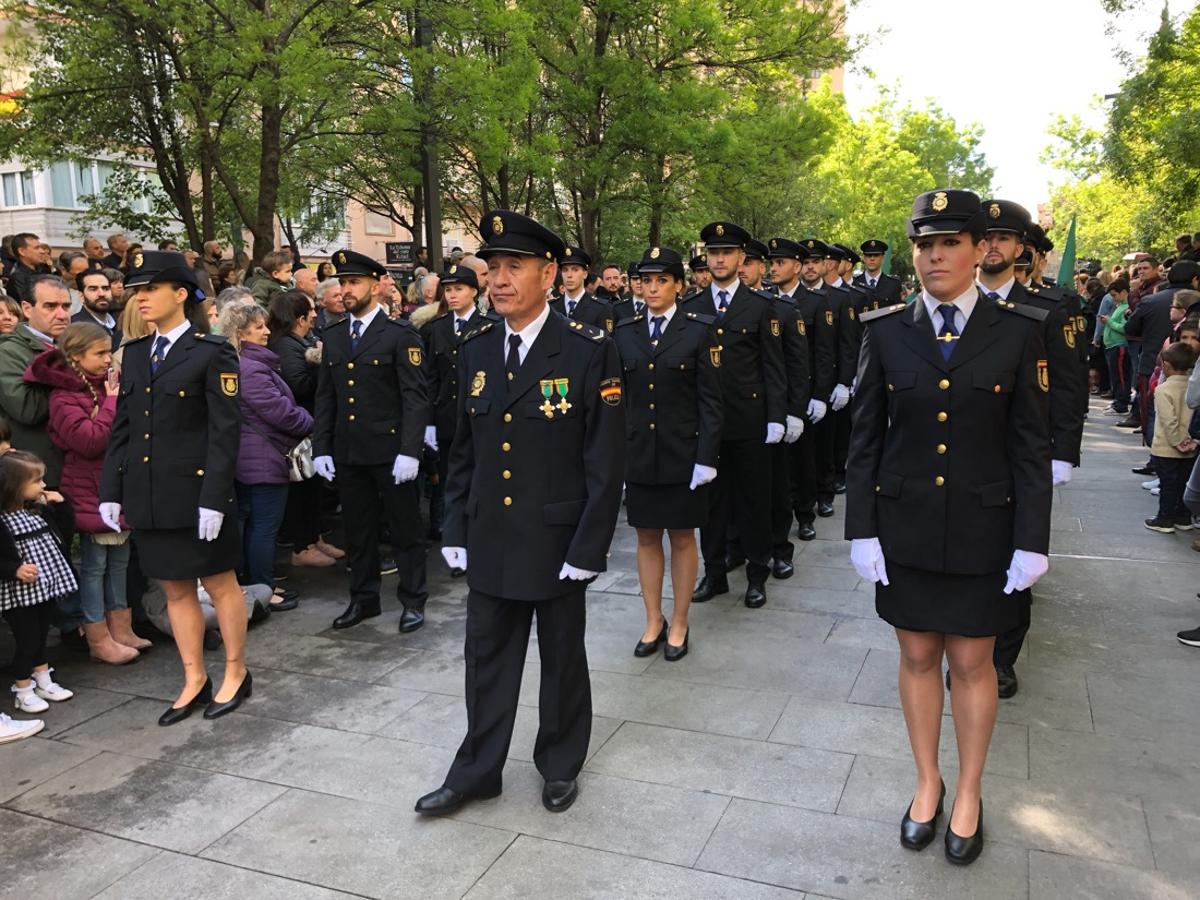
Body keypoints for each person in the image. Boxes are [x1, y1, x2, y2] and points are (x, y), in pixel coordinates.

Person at [847, 189, 1051, 866]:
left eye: (950, 243)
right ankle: (926, 782)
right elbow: (865, 439)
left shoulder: (1018, 331)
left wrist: (1032, 541)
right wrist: (861, 529)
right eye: (924, 244)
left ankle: (969, 790)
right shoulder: (884, 329)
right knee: (915, 656)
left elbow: (1029, 445)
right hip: (903, 525)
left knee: (971, 661)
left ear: (978, 249)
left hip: (982, 530)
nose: (935, 256)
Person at [415, 209, 624, 817]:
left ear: (549, 273)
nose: (499, 280)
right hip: (493, 535)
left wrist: (589, 547)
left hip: (558, 539)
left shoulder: (587, 352)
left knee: (562, 661)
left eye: (515, 267)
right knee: (485, 659)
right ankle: (477, 771)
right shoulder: (477, 348)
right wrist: (454, 524)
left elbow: (604, 465)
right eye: (493, 268)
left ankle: (559, 763)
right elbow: (464, 450)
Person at [99, 250, 251, 725]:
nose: (139, 299)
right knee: (175, 590)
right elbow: (123, 427)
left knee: (221, 584)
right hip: (151, 492)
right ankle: (193, 677)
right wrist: (111, 488)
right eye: (136, 291)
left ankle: (235, 671)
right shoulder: (138, 353)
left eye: (150, 290)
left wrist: (214, 497)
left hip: (197, 492)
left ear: (180, 294)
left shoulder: (212, 351)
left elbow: (225, 431)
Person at [312, 249, 430, 634]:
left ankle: (413, 600)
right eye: (343, 283)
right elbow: (326, 395)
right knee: (358, 532)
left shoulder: (399, 334)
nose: (346, 290)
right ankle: (363, 599)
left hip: (391, 451)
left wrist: (410, 450)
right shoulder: (334, 334)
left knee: (405, 531)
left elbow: (415, 396)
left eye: (354, 282)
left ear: (376, 285)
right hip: (350, 451)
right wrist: (322, 447)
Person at [614, 246, 722, 660]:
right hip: (639, 452)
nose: (653, 288)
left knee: (680, 537)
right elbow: (615, 398)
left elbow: (711, 401)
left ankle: (679, 621)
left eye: (662, 280)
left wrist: (707, 457)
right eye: (646, 280)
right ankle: (652, 618)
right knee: (644, 537)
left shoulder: (698, 329)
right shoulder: (624, 331)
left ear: (679, 284)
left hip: (684, 454)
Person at [683, 222, 787, 608]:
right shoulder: (691, 307)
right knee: (709, 505)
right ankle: (714, 573)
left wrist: (777, 416)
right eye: (713, 253)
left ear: (742, 258)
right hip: (706, 426)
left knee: (753, 501)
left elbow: (773, 368)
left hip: (749, 421)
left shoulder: (761, 307)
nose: (719, 259)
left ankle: (757, 573)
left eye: (726, 253)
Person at [29, 322, 145, 663]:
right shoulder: (65, 395)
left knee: (120, 562)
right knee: (95, 566)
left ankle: (120, 628)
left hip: (115, 483)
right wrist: (110, 404)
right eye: (100, 353)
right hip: (88, 488)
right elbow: (90, 441)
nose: (108, 358)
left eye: (109, 351)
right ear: (77, 357)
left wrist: (107, 409)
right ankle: (98, 636)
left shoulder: (104, 385)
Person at [221, 302, 315, 605]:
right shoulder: (249, 369)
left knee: (254, 525)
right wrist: (312, 421)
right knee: (264, 528)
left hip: (252, 457)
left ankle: (257, 586)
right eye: (259, 327)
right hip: (261, 459)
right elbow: (281, 414)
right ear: (240, 332)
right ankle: (263, 590)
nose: (267, 331)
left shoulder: (245, 364)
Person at [267, 291, 343, 569]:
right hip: (300, 427)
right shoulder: (287, 346)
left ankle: (314, 537)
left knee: (313, 487)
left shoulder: (300, 341)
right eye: (310, 311)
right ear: (299, 318)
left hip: (310, 426)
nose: (315, 314)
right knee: (302, 490)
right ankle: (303, 546)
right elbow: (298, 384)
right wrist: (324, 368)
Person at [422, 263, 495, 547]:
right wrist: (428, 420)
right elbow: (429, 378)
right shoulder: (435, 329)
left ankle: (479, 530)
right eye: (448, 289)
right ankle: (451, 532)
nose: (452, 295)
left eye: (459, 289)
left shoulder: (489, 327)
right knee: (448, 478)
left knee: (479, 476)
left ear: (474, 292)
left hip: (477, 417)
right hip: (445, 417)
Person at [0, 450, 77, 714]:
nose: (43, 486)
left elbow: (65, 534)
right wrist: (14, 569)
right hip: (18, 592)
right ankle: (23, 688)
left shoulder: (38, 511)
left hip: (44, 585)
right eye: (36, 481)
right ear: (14, 487)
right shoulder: (3, 521)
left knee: (41, 632)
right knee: (27, 639)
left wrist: (61, 505)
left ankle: (43, 678)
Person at [1145, 341, 1198, 533]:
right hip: (1191, 446)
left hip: (1167, 447)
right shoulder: (1192, 387)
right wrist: (1189, 441)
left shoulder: (1163, 389)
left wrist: (1177, 441)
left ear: (1166, 365)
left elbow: (1168, 420)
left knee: (1168, 485)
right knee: (1184, 483)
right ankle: (1183, 517)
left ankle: (1165, 518)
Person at [550, 247, 613, 332]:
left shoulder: (601, 308)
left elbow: (606, 342)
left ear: (585, 274)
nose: (569, 275)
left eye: (575, 270)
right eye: (565, 270)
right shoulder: (551, 307)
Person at [1099, 278, 1133, 416]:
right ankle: (1118, 401)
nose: (1113, 299)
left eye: (1114, 295)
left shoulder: (1127, 308)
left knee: (1121, 376)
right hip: (1113, 346)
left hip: (1120, 346)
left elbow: (1125, 328)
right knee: (1116, 376)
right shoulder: (1120, 306)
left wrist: (1109, 321)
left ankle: (1121, 404)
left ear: (1124, 292)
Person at [72, 270, 122, 348]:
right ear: (81, 296)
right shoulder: (76, 328)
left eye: (105, 288)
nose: (101, 294)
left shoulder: (120, 320)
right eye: (93, 289)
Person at [854, 240, 904, 305]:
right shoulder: (855, 284)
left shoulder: (894, 284)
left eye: (876, 255)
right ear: (864, 258)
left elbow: (899, 312)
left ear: (882, 258)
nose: (872, 259)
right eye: (868, 255)